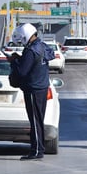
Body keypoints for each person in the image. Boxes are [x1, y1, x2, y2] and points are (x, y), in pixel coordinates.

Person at [8, 23, 54, 161]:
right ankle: (37, 149)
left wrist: (14, 61)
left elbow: (22, 71)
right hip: (41, 87)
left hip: (34, 88)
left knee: (34, 121)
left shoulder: (30, 50)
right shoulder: (42, 46)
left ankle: (37, 150)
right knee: (38, 120)